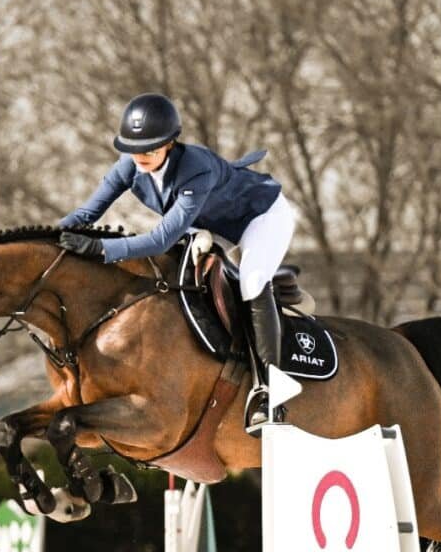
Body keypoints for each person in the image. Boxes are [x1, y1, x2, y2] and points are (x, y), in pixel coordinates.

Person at [58, 92, 296, 434]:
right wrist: (47, 239)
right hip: (209, 223)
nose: (139, 156)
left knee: (252, 279)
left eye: (149, 149)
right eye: (132, 148)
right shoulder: (129, 166)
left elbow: (161, 239)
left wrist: (101, 250)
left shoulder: (195, 168)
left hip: (260, 217)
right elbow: (86, 214)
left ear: (170, 144)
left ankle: (270, 392)